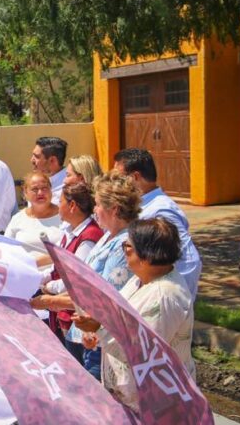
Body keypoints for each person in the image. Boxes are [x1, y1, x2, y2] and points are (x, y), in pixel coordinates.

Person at [73, 218, 196, 412]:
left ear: (146, 256)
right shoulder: (139, 281)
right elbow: (118, 317)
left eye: (127, 246)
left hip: (156, 406)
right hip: (130, 398)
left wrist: (99, 328)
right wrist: (96, 333)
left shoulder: (163, 296)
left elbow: (143, 351)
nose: (125, 251)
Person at [32, 172, 140, 380]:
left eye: (98, 204)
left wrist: (51, 301)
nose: (94, 210)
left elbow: (105, 297)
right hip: (90, 336)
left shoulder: (122, 245)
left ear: (114, 209)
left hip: (105, 340)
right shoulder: (109, 236)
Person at [113, 148, 202, 301]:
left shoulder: (161, 211)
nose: (116, 184)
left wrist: (175, 297)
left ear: (135, 177)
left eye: (119, 178)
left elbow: (189, 260)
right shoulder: (143, 206)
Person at [29, 183, 103, 363]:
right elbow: (57, 268)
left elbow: (76, 279)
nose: (57, 205)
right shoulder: (69, 232)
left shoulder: (89, 237)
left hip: (75, 318)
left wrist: (49, 287)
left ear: (72, 206)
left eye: (60, 201)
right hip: (62, 313)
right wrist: (36, 278)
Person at [4, 172, 62, 255]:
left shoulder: (65, 216)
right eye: (35, 189)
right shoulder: (17, 219)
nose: (40, 193)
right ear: (25, 193)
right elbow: (6, 249)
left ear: (51, 190)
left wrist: (36, 263)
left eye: (44, 188)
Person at [30, 137, 68, 205]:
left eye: (37, 157)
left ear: (52, 160)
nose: (31, 160)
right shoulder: (35, 181)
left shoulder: (68, 189)